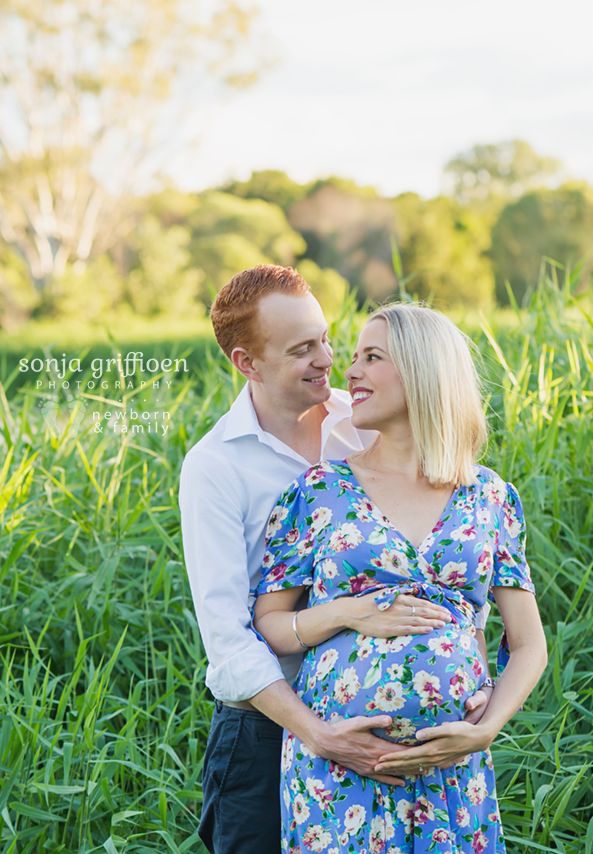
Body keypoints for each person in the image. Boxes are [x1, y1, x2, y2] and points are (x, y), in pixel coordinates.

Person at [179, 266, 494, 854]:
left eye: (326, 338)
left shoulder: (370, 418)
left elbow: (447, 548)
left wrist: (466, 660)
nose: (328, 358)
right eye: (303, 349)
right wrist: (321, 736)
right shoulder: (215, 467)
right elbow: (228, 641)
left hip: (403, 733)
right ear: (248, 362)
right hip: (268, 726)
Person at [252, 303, 548, 852]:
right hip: (339, 772)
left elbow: (528, 643)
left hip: (452, 769)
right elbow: (270, 623)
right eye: (355, 357)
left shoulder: (490, 496)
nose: (350, 371)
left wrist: (485, 731)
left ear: (421, 370)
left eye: (372, 357)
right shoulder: (317, 491)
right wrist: (346, 612)